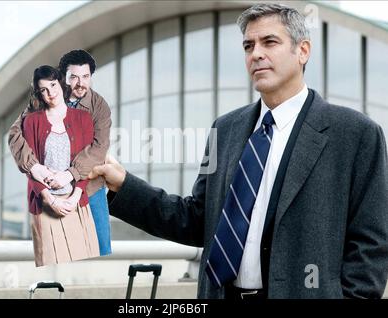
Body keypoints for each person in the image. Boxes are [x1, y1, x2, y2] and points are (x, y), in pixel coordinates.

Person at [89, 4, 388, 299]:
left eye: (269, 42)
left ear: (303, 51)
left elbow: (370, 244)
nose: (256, 53)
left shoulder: (355, 134)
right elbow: (196, 219)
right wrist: (123, 184)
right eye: (248, 46)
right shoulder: (225, 129)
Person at [9, 50, 112, 256]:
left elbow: (99, 148)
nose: (80, 83)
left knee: (100, 248)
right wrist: (34, 166)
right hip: (50, 190)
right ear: (63, 77)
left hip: (90, 187)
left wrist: (71, 174)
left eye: (85, 76)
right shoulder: (46, 95)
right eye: (73, 77)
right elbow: (15, 133)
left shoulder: (99, 107)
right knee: (56, 252)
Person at [21, 65, 99, 266]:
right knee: (50, 265)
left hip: (76, 203)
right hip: (46, 204)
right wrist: (50, 200)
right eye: (43, 90)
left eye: (53, 85)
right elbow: (31, 167)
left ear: (61, 84)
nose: (50, 93)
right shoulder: (31, 121)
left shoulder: (83, 119)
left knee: (82, 268)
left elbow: (87, 162)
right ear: (39, 93)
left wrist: (75, 197)